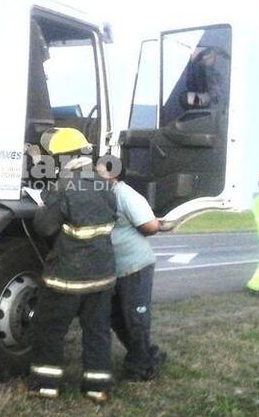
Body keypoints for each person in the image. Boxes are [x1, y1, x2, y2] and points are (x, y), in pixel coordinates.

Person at [28, 128, 117, 403]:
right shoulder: (105, 186)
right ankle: (96, 388)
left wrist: (44, 205)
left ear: (64, 159)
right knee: (98, 332)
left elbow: (44, 227)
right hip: (102, 276)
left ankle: (46, 385)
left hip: (67, 277)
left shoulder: (65, 187)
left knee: (50, 329)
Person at [105, 163, 168, 381]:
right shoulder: (104, 194)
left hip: (135, 266)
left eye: (98, 170)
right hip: (116, 269)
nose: (94, 174)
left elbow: (150, 226)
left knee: (135, 317)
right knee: (116, 316)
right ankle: (147, 355)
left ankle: (139, 369)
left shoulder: (125, 194)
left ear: (113, 174)